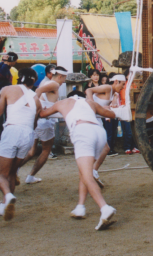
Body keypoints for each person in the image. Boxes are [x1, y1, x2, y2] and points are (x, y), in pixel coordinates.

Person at [39, 93, 119, 230]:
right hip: (99, 132)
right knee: (85, 172)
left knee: (87, 175)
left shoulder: (62, 103)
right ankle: (80, 207)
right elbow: (111, 114)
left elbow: (42, 114)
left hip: (82, 131)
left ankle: (104, 208)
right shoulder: (90, 103)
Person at [0, 68, 40, 221]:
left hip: (12, 130)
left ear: (19, 77)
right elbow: (34, 122)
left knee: (2, 174)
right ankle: (4, 204)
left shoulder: (8, 89)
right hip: (27, 134)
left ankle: (8, 196)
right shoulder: (36, 98)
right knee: (13, 172)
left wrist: (3, 100)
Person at [19, 66, 67, 184]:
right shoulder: (54, 84)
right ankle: (30, 176)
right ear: (60, 76)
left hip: (38, 120)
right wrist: (39, 107)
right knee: (46, 150)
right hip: (44, 121)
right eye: (64, 78)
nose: (64, 81)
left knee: (33, 150)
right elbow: (36, 92)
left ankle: (15, 170)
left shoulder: (46, 82)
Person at [0, 52, 19, 140]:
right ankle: (0, 136)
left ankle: (8, 135)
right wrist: (5, 63)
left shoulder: (9, 68)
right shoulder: (0, 66)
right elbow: (1, 74)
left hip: (8, 95)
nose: (14, 63)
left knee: (9, 115)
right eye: (14, 61)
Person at [119, 69, 139, 155]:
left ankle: (134, 146)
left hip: (134, 109)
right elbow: (123, 97)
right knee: (128, 130)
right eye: (130, 74)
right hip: (125, 108)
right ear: (126, 76)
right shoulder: (124, 85)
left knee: (135, 129)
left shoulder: (135, 84)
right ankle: (127, 147)